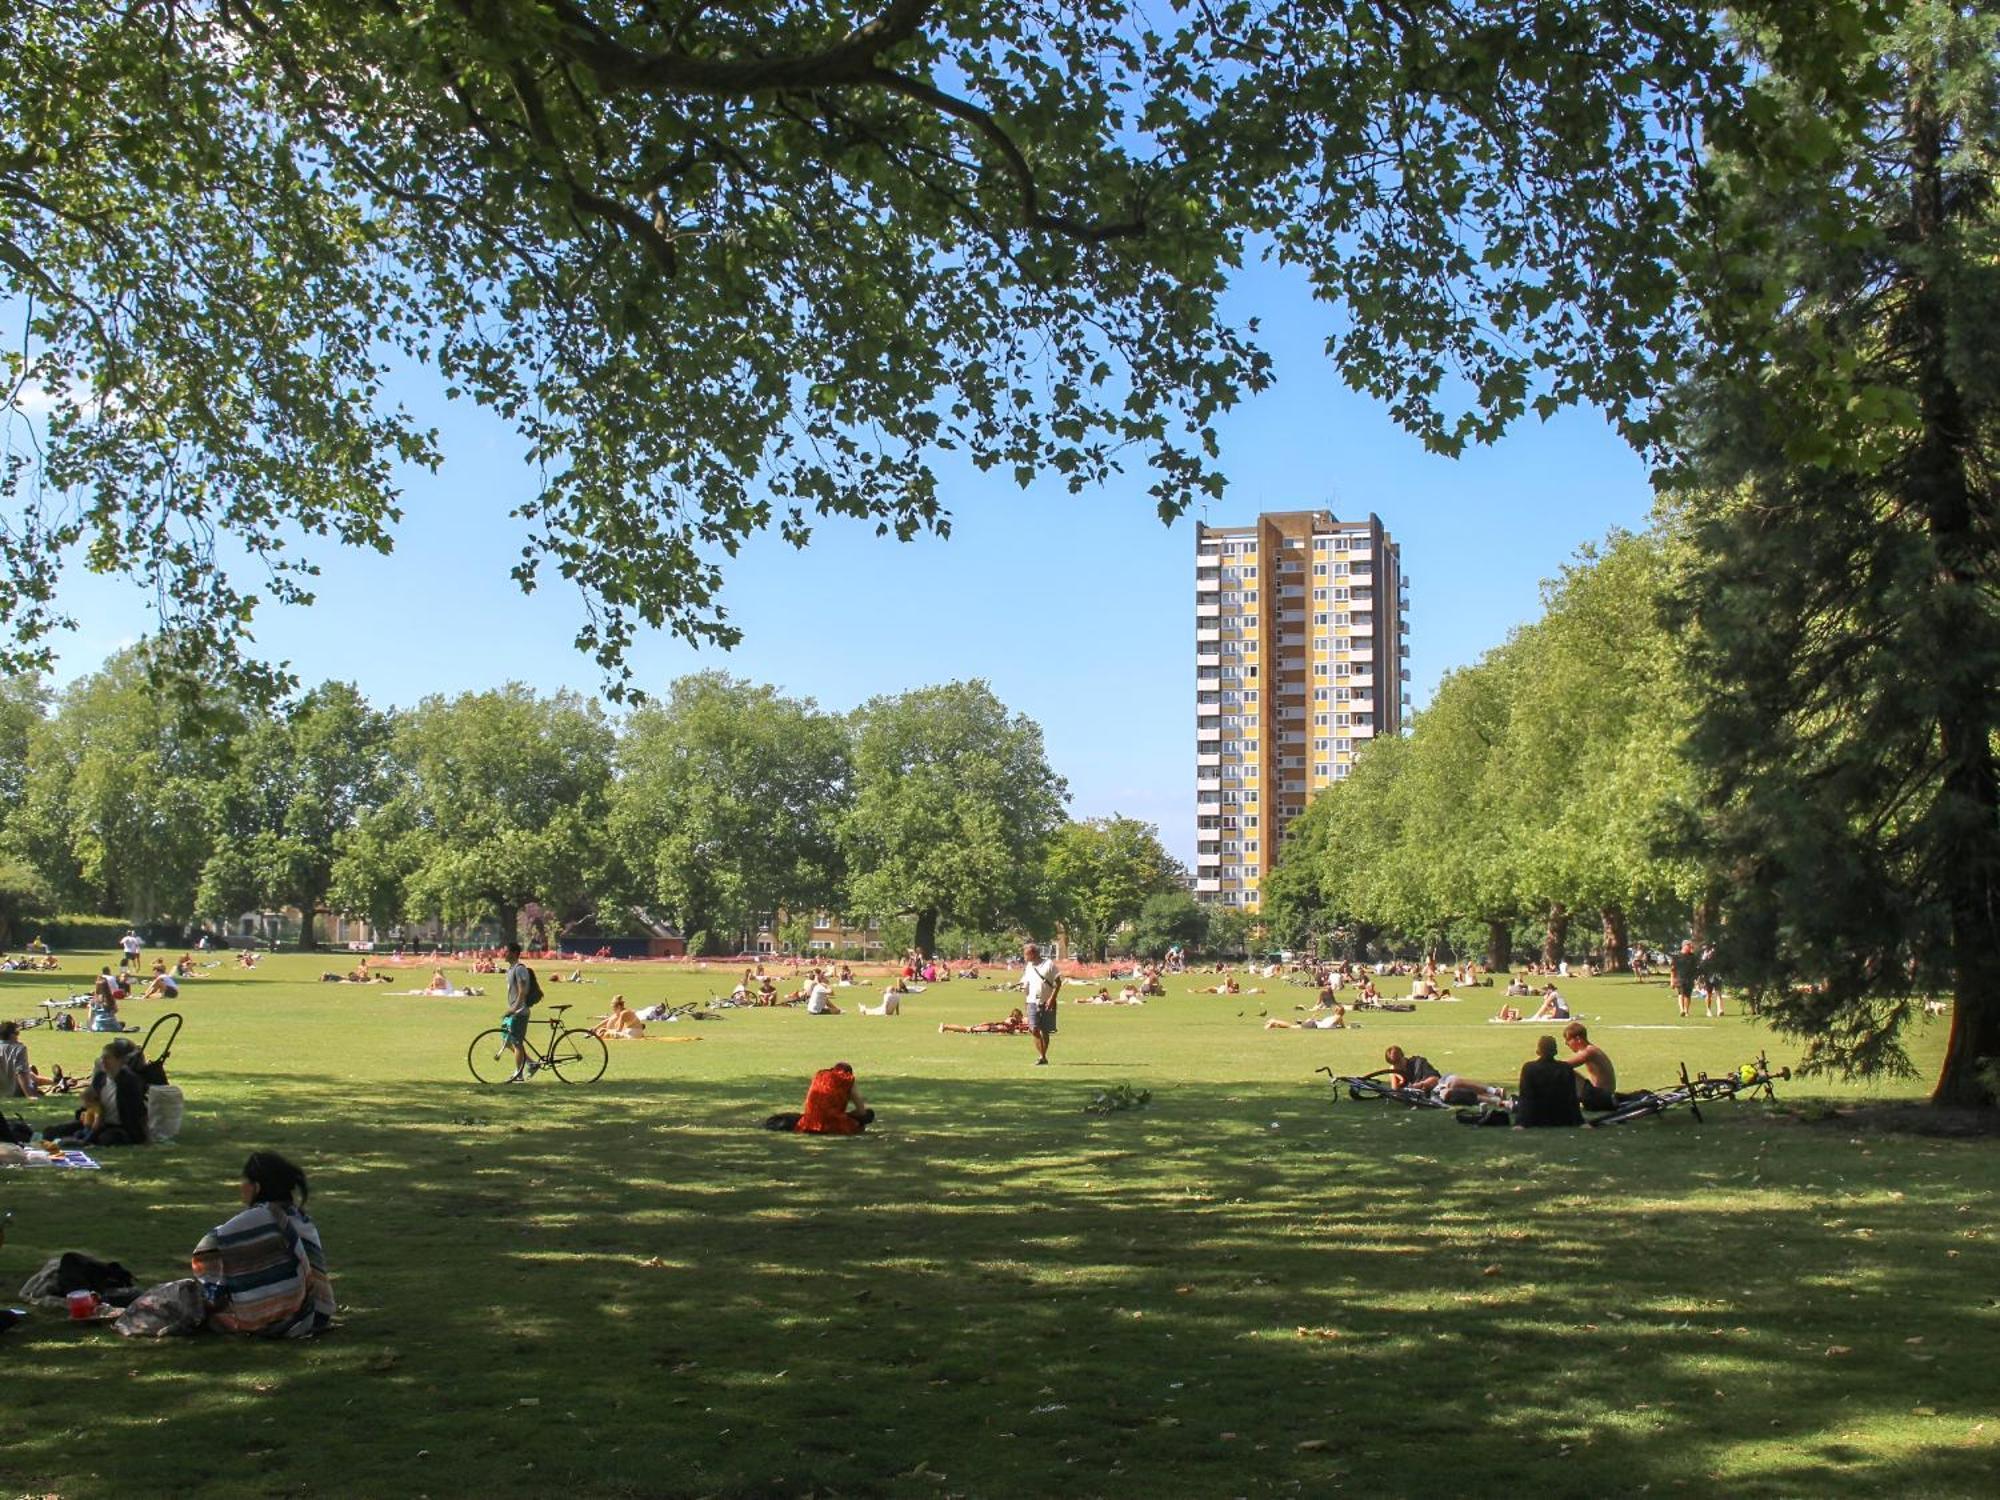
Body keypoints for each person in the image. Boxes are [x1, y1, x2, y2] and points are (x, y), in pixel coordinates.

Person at [191, 1151, 335, 1337]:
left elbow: (206, 1251)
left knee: (206, 1310)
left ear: (256, 1186)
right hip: (317, 1313)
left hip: (284, 1320)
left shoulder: (257, 1218)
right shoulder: (301, 1218)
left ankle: (262, 1310)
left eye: (245, 1181)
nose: (241, 1187)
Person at [50, 1040, 149, 1145]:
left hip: (119, 1127)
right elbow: (90, 1102)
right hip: (95, 1122)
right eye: (103, 1058)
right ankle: (77, 1139)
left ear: (120, 1061)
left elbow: (139, 1113)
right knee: (51, 1132)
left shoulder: (130, 1082)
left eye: (108, 1058)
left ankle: (82, 1140)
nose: (103, 1061)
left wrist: (145, 1136)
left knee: (107, 1138)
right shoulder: (101, 1078)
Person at [1513, 1035, 1584, 1127]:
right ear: (1555, 1051)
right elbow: (1572, 1097)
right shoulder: (1565, 1068)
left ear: (1538, 1051)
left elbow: (1526, 1096)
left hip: (1536, 1118)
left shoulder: (1529, 1068)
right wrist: (1580, 1121)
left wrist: (1521, 1123)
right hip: (1562, 1118)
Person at [790, 1062, 874, 1134]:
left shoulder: (819, 1075)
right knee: (868, 1114)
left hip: (809, 1122)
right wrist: (850, 1114)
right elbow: (861, 1111)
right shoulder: (847, 1079)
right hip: (832, 1123)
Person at [500, 941, 539, 1082]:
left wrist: (514, 1008)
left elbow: (523, 991)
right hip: (513, 1011)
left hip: (520, 1012)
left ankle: (519, 1074)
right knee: (507, 1040)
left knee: (517, 1043)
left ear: (514, 953)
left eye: (506, 951)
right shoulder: (510, 969)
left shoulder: (519, 969)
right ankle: (531, 1063)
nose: (503, 953)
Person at [1559, 1022, 1618, 1111]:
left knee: (1565, 1070)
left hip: (1601, 1098)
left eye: (1568, 1040)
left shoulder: (1589, 1051)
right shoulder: (1591, 1050)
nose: (1566, 1044)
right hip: (1603, 1096)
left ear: (1578, 1039)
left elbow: (1564, 1066)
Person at [1021, 941, 1062, 1067]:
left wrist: (1052, 999)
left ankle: (1042, 1057)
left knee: (1045, 1030)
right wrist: (1025, 997)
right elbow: (1026, 982)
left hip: (1046, 1002)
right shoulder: (1028, 966)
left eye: (1026, 954)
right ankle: (1042, 1056)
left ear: (1033, 953)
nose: (1024, 956)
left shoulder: (1048, 964)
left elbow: (1058, 983)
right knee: (1033, 1029)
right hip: (1031, 1001)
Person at [0, 1019, 44, 1097]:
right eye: (17, 1033)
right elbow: (21, 1074)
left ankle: (57, 1081)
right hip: (14, 1092)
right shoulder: (19, 1049)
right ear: (12, 1035)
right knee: (30, 1071)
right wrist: (30, 1095)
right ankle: (58, 1081)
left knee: (30, 1071)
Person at [940, 1008, 1031, 1034]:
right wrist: (983, 1024)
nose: (1022, 1018)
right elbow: (997, 1023)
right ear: (1017, 1016)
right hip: (987, 1028)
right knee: (966, 1029)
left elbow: (1009, 1030)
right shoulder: (1010, 1021)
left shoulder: (1012, 1021)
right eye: (1021, 1016)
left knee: (965, 1030)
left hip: (989, 1029)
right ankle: (945, 1026)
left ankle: (948, 1029)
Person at [1670, 940, 1699, 1019]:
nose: (1690, 947)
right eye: (1689, 946)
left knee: (1688, 996)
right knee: (1681, 994)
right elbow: (1673, 970)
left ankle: (1686, 1011)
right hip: (1680, 978)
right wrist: (1672, 980)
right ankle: (1681, 1010)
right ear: (1684, 946)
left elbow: (1695, 969)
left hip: (1690, 978)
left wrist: (1696, 979)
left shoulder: (1693, 957)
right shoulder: (1676, 957)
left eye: (1691, 946)